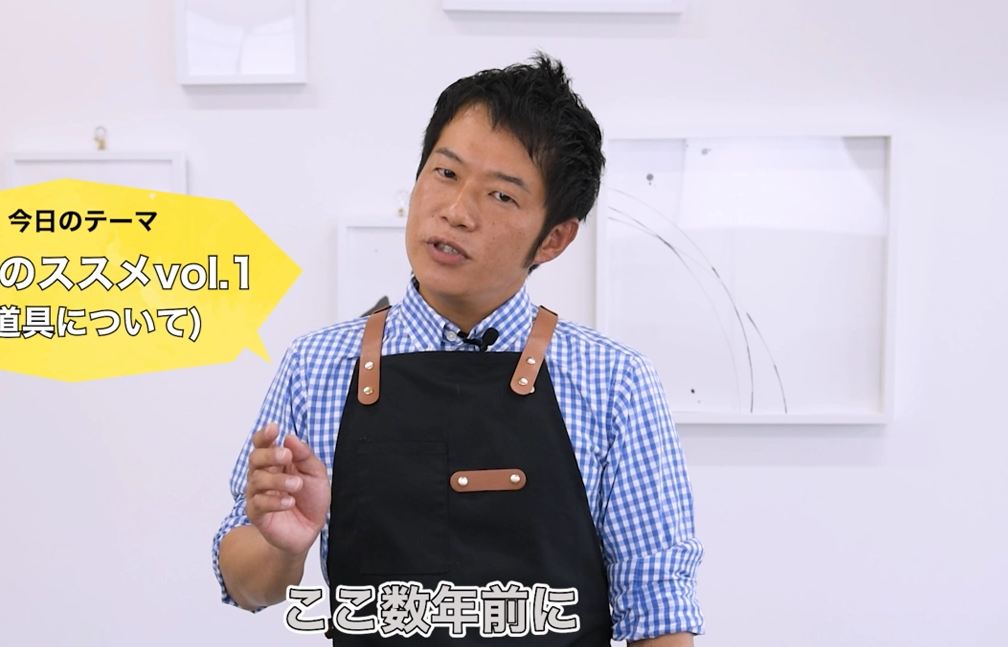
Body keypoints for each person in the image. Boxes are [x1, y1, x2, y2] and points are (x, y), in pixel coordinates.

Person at [212, 52, 704, 646]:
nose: (456, 211)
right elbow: (244, 585)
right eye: (445, 173)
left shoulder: (613, 380)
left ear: (554, 238)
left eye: (501, 196)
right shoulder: (317, 366)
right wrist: (282, 548)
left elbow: (660, 610)